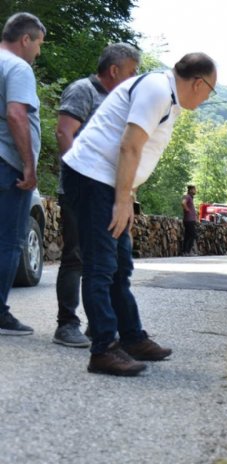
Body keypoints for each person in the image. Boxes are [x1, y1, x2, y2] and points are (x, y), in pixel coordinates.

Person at [61, 52, 217, 376]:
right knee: (101, 266)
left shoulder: (168, 97)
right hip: (92, 178)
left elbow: (139, 152)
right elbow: (129, 145)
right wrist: (121, 200)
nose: (206, 98)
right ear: (199, 83)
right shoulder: (158, 90)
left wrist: (127, 195)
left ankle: (131, 337)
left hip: (109, 182)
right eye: (210, 90)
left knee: (120, 265)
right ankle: (103, 349)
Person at [53, 43, 141, 348]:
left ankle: (100, 324)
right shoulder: (83, 91)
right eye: (132, 71)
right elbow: (65, 132)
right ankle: (67, 324)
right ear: (114, 70)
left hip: (108, 194)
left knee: (110, 262)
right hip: (82, 191)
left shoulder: (121, 100)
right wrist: (78, 179)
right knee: (76, 257)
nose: (135, 78)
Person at [0, 13, 45, 336]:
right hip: (6, 164)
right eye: (39, 43)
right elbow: (17, 114)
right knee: (9, 241)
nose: (39, 52)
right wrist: (28, 166)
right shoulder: (17, 67)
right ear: (25, 39)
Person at [181, 184, 197, 256]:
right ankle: (188, 251)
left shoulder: (190, 197)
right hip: (189, 220)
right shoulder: (187, 196)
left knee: (187, 236)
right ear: (190, 190)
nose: (195, 191)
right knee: (192, 235)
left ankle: (185, 251)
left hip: (190, 220)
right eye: (194, 189)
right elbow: (183, 203)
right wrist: (188, 210)